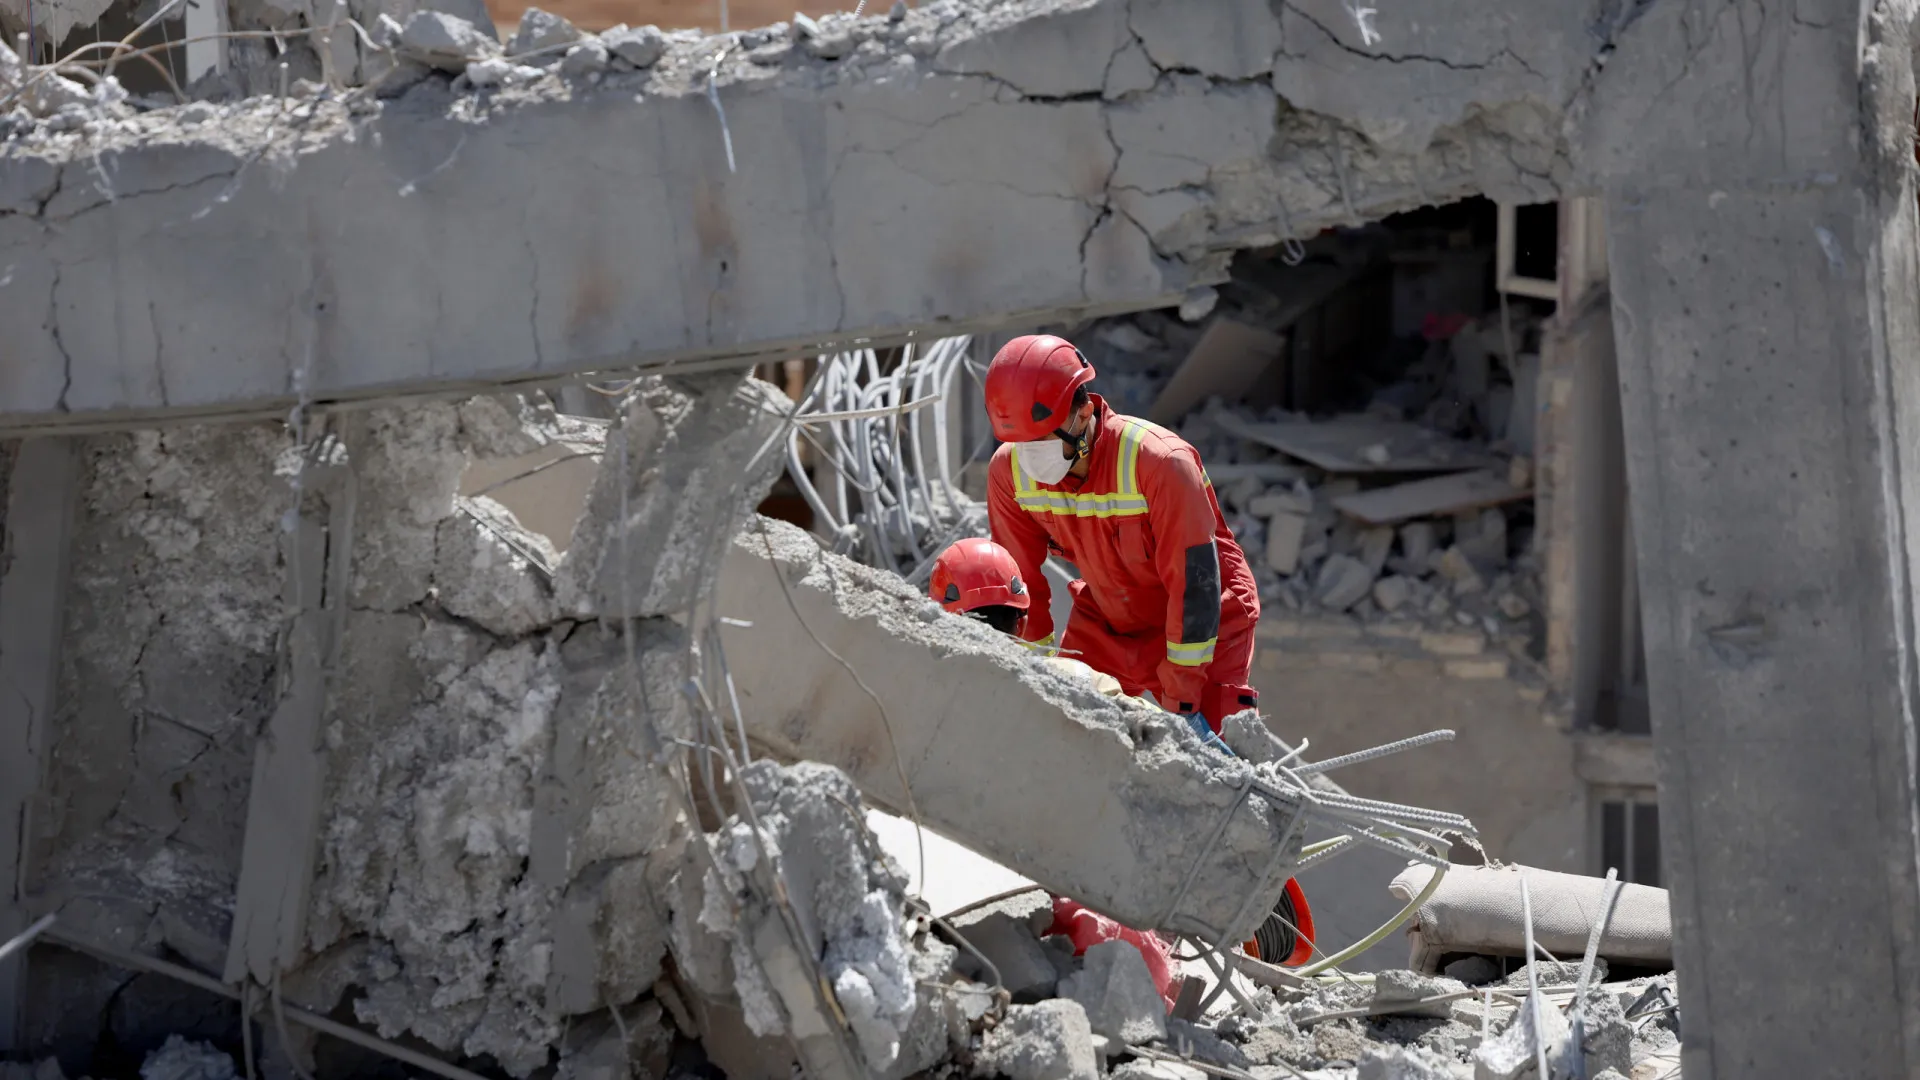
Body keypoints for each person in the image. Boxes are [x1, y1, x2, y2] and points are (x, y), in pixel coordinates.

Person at [927, 539, 1316, 990]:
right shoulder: (1072, 681)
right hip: (1083, 879)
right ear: (1022, 619)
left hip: (996, 895)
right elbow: (1166, 742)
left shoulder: (927, 702)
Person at [980, 334, 1262, 745]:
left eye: (1041, 439)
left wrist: (1182, 702)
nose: (1030, 456)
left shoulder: (1161, 464)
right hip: (1111, 615)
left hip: (1206, 622)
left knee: (1211, 767)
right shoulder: (1010, 473)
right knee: (1069, 734)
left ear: (1082, 412)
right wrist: (1032, 675)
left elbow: (1194, 586)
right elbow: (1021, 583)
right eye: (1019, 442)